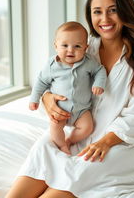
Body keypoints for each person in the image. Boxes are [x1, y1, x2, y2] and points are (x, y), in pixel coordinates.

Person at [5, 0, 134, 198]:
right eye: (97, 12)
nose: (105, 19)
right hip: (77, 131)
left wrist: (105, 141)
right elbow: (53, 79)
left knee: (80, 170)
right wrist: (47, 99)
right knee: (44, 147)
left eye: (113, 11)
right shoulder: (82, 47)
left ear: (126, 12)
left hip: (118, 143)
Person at [29, 21, 107, 154]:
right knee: (55, 128)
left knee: (87, 128)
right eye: (64, 45)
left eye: (77, 46)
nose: (70, 50)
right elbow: (41, 82)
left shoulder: (88, 63)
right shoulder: (52, 66)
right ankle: (62, 146)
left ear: (85, 48)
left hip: (82, 110)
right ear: (55, 46)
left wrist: (99, 83)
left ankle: (70, 140)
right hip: (60, 110)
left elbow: (100, 70)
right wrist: (34, 99)